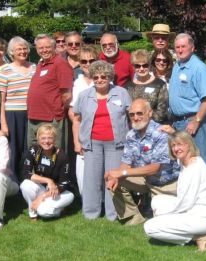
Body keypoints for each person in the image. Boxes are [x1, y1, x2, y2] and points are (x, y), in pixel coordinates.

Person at [143, 131, 206, 252]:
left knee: (149, 227)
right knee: (156, 201)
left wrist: (163, 213)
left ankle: (199, 237)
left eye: (180, 144)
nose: (176, 148)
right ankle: (193, 233)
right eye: (173, 145)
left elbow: (186, 204)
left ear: (189, 145)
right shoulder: (186, 161)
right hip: (198, 209)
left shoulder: (194, 169)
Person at [104, 99, 180, 225]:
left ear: (150, 113)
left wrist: (121, 172)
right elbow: (126, 162)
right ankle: (133, 218)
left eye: (140, 113)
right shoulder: (131, 135)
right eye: (132, 114)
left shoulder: (161, 133)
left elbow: (155, 168)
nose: (136, 117)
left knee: (166, 223)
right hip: (146, 180)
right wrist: (116, 176)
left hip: (166, 183)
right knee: (113, 179)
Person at [73, 61, 131, 220]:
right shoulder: (84, 95)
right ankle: (91, 213)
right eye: (96, 77)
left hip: (116, 143)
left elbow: (131, 117)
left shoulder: (121, 93)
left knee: (113, 178)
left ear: (110, 77)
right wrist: (77, 142)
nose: (99, 79)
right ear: (92, 77)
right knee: (91, 179)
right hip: (92, 143)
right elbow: (76, 119)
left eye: (103, 76)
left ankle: (113, 214)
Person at [168, 33, 206, 165]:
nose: (180, 50)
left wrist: (196, 121)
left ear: (192, 48)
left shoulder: (199, 68)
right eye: (177, 47)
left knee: (199, 160)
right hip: (178, 122)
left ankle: (205, 186)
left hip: (193, 122)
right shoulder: (178, 65)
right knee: (183, 161)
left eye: (183, 46)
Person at [19, 124, 74, 221]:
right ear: (38, 139)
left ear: (55, 139)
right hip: (44, 187)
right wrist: (48, 180)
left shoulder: (62, 156)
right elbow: (25, 173)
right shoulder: (33, 150)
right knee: (25, 184)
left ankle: (59, 210)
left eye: (50, 138)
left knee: (43, 211)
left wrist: (42, 197)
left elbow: (64, 184)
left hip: (59, 192)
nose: (46, 141)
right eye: (43, 138)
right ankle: (33, 213)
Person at [27, 34, 73, 151]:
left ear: (54, 47)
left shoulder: (60, 64)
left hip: (50, 119)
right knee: (35, 154)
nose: (44, 50)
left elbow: (66, 94)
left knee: (52, 154)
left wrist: (57, 111)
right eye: (40, 48)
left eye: (47, 47)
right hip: (34, 117)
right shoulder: (41, 64)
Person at [0, 36, 35, 175]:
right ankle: (12, 180)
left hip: (31, 114)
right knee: (13, 149)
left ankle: (27, 177)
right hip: (12, 114)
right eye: (19, 49)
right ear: (11, 52)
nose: (23, 51)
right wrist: (3, 123)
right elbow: (1, 100)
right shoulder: (5, 70)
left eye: (25, 48)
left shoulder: (34, 68)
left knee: (29, 148)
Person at [68, 45, 99, 193]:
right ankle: (85, 199)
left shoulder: (104, 81)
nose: (88, 64)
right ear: (79, 63)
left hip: (100, 131)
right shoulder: (77, 83)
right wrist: (76, 141)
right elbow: (74, 115)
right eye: (84, 61)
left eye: (91, 60)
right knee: (82, 170)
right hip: (82, 131)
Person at [124, 49, 169, 124]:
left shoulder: (159, 84)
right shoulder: (128, 86)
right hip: (134, 126)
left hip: (154, 127)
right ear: (133, 67)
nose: (141, 69)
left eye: (145, 65)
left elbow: (162, 112)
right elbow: (126, 110)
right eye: (137, 66)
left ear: (150, 65)